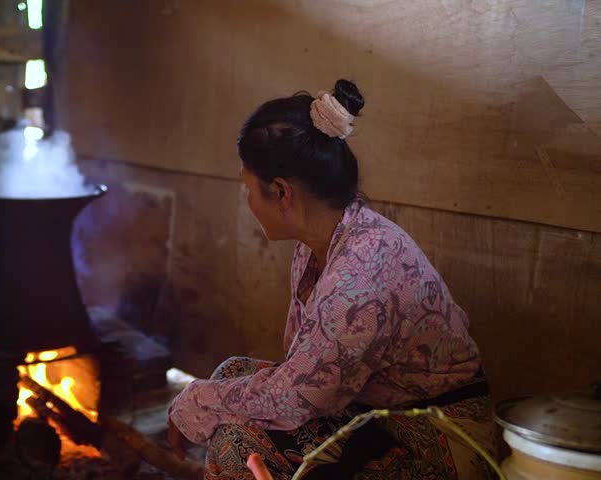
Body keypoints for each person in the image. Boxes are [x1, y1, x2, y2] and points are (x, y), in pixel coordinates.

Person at [167, 80, 495, 479]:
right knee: (232, 374)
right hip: (373, 413)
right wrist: (204, 398)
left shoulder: (360, 274)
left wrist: (196, 403)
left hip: (435, 438)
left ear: (282, 193)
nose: (248, 199)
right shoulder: (321, 242)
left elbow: (296, 398)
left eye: (247, 187)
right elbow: (304, 376)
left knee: (237, 442)